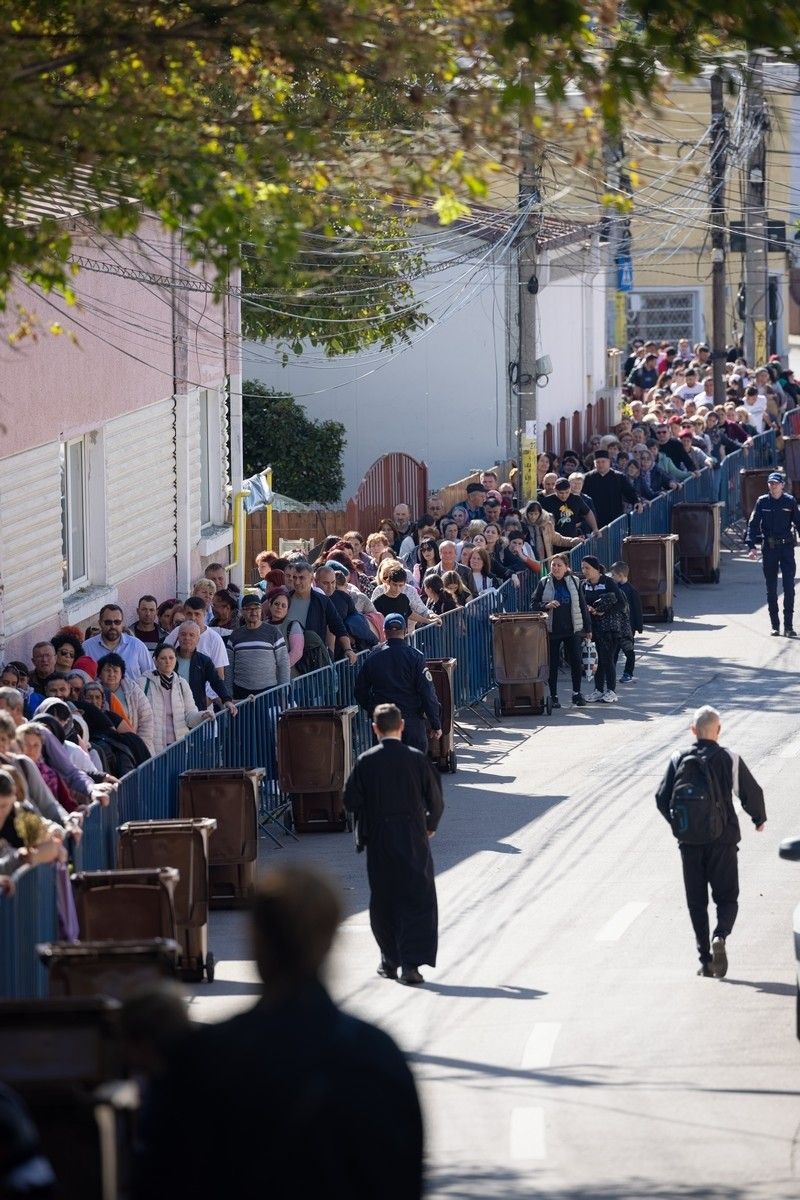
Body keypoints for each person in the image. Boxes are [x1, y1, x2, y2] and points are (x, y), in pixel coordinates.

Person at [134, 864, 423, 1200]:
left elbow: (161, 1179)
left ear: (256, 942)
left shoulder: (204, 1059)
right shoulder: (378, 1058)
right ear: (329, 941)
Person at [655, 705, 766, 977]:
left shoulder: (678, 759)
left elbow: (661, 798)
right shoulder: (730, 758)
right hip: (724, 841)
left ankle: (705, 960)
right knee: (727, 898)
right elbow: (752, 793)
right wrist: (758, 819)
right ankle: (721, 935)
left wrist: (679, 825)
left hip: (689, 844)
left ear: (693, 731)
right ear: (718, 730)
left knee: (697, 902)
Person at [344, 703, 444, 987]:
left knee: (384, 899)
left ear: (375, 729)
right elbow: (435, 799)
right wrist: (430, 824)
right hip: (414, 836)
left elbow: (350, 799)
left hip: (379, 837)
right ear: (401, 726)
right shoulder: (416, 759)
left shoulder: (366, 761)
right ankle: (411, 965)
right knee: (418, 898)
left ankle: (390, 960)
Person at [354, 613, 442, 752]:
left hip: (384, 720)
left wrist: (374, 709)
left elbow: (360, 690)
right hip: (411, 720)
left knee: (385, 769)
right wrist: (435, 723)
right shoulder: (415, 657)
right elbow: (427, 692)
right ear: (406, 631)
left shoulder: (373, 657)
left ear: (384, 632)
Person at [531, 554, 589, 707]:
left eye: (559, 565)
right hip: (552, 630)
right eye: (553, 565)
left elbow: (582, 606)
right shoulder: (544, 583)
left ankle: (577, 693)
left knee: (576, 661)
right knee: (553, 663)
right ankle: (554, 696)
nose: (555, 568)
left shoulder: (575, 582)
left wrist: (587, 629)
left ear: (566, 567)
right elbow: (533, 604)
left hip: (572, 629)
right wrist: (546, 605)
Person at [746, 471, 800, 636]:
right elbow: (753, 524)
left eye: (776, 483)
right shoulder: (762, 502)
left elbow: (798, 523)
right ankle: (775, 625)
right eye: (770, 483)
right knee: (771, 588)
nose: (773, 485)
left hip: (786, 549)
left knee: (789, 587)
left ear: (782, 485)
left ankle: (789, 627)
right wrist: (751, 546)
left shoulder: (789, 501)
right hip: (769, 549)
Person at [140, 644, 214, 754]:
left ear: (176, 660)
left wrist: (202, 715)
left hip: (178, 746)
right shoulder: (143, 683)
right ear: (156, 661)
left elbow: (190, 715)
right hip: (152, 746)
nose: (168, 661)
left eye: (171, 658)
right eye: (163, 658)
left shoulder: (182, 683)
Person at [579, 556, 626, 703]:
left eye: (587, 568)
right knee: (596, 661)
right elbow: (582, 603)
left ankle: (611, 690)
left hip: (609, 628)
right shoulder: (583, 585)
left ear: (597, 569)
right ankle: (598, 690)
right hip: (592, 628)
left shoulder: (608, 582)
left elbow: (621, 603)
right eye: (583, 568)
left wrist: (603, 611)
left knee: (607, 659)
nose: (584, 571)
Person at [226, 594, 290, 698]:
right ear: (242, 611)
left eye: (257, 608)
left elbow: (283, 664)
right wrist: (228, 695)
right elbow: (228, 668)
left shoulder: (273, 632)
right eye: (249, 609)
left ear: (261, 610)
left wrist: (283, 693)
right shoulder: (235, 635)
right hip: (241, 693)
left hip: (269, 692)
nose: (254, 612)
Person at [172, 621, 237, 715]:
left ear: (198, 639)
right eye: (183, 634)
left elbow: (216, 681)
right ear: (178, 637)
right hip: (173, 710)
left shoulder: (204, 661)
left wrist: (226, 700)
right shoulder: (170, 658)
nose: (187, 638)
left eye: (191, 635)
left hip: (196, 711)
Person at [82, 604, 153, 680]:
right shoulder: (87, 647)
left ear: (122, 623)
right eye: (108, 622)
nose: (113, 626)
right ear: (100, 623)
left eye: (117, 622)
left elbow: (151, 677)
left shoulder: (137, 646)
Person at [581, 450, 642, 530]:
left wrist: (637, 502)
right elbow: (582, 497)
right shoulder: (588, 478)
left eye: (603, 462)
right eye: (598, 462)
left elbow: (630, 492)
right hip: (595, 520)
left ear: (609, 462)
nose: (601, 464)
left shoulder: (619, 477)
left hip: (614, 518)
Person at [610, 561, 643, 683]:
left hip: (628, 628)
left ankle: (628, 673)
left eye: (613, 575)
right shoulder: (615, 588)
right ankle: (610, 673)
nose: (612, 577)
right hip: (615, 626)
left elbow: (637, 609)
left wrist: (638, 626)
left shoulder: (631, 590)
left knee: (628, 651)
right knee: (613, 652)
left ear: (620, 575)